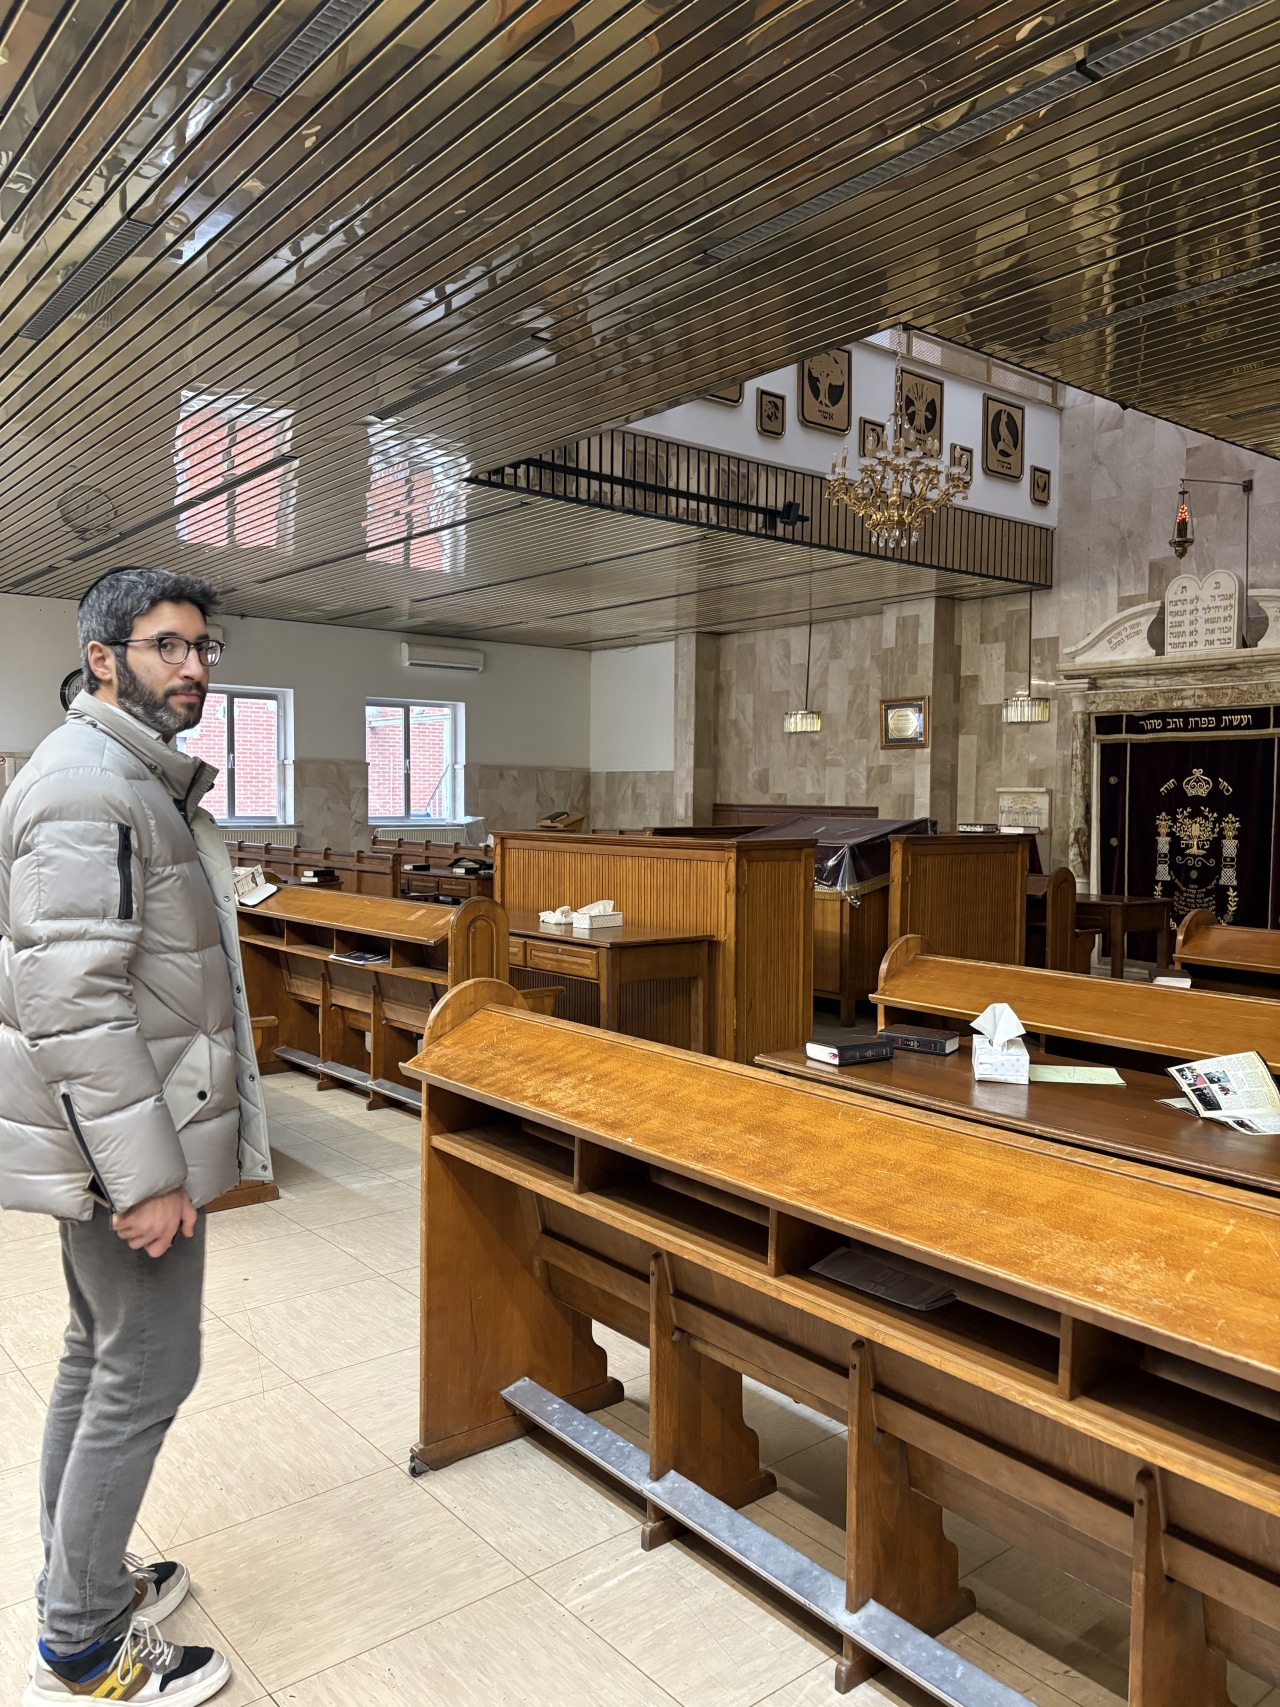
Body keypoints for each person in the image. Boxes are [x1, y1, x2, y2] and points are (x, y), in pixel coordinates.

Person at [0, 567, 271, 1706]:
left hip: (112, 1140)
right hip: (124, 1149)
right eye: (168, 646)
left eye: (202, 646)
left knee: (95, 1354)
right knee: (149, 1368)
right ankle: (81, 1642)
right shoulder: (87, 786)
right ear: (104, 658)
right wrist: (144, 1180)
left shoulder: (126, 776)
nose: (194, 666)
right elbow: (75, 1004)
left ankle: (86, 1576)